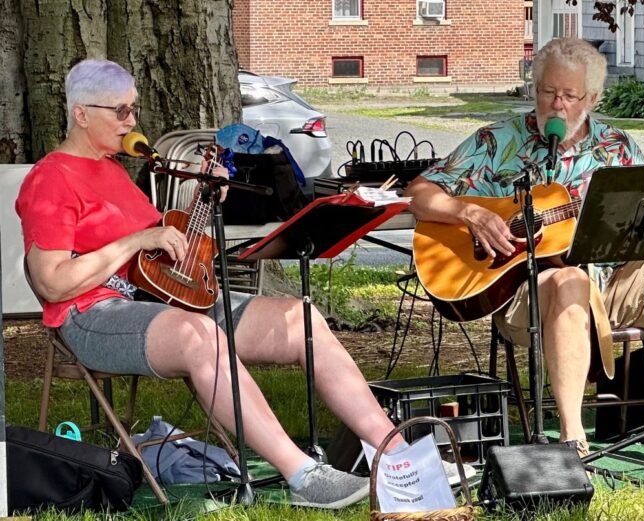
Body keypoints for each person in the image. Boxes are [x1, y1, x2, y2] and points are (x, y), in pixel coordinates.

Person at [16, 59, 472, 510]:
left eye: (133, 109)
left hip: (161, 300)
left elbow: (158, 260)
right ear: (81, 113)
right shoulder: (51, 178)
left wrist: (205, 200)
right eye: (120, 111)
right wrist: (139, 237)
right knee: (201, 336)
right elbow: (53, 283)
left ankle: (396, 457)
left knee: (302, 320)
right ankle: (303, 475)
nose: (131, 120)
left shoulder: (113, 170)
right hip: (92, 315)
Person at [404, 38, 644, 457]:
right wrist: (469, 213)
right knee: (569, 278)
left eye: (569, 95)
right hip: (530, 294)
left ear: (592, 97)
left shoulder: (617, 149)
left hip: (612, 286)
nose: (556, 105)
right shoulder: (496, 142)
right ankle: (572, 440)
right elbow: (418, 194)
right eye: (547, 91)